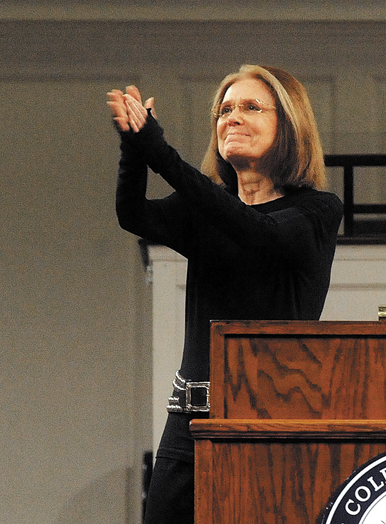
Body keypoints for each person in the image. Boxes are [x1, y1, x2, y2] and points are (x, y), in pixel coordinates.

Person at [107, 65, 343, 524]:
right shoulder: (208, 209)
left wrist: (161, 152)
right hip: (189, 423)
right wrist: (135, 145)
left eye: (251, 107)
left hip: (269, 424)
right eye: (224, 109)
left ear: (289, 125)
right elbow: (132, 214)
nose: (231, 118)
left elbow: (254, 231)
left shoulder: (315, 210)